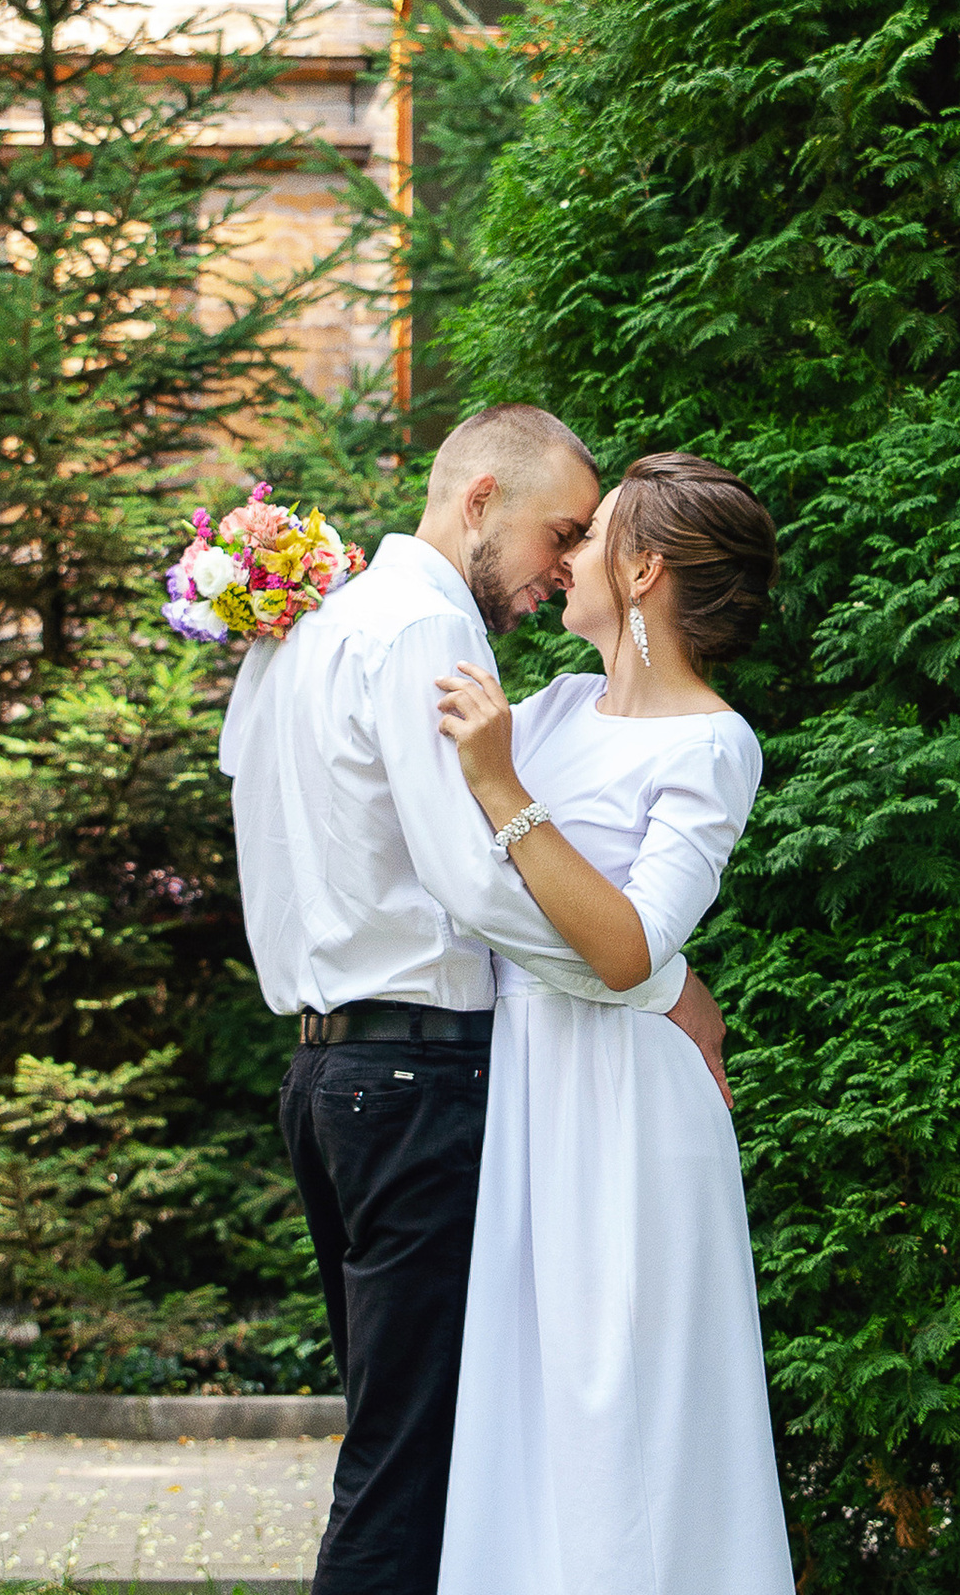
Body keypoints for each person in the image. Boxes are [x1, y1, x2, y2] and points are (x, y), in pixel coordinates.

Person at [218, 405, 732, 1595]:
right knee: (411, 1470)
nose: (563, 564)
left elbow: (261, 823)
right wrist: (659, 979)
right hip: (415, 1084)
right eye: (558, 530)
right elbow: (472, 878)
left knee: (409, 1450)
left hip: (325, 1076)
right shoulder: (421, 629)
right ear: (479, 500)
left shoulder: (313, 624)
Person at [432, 450, 792, 1595]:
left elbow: (631, 941)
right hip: (533, 1088)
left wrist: (501, 788)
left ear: (640, 571)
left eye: (591, 539)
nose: (567, 554)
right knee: (533, 1409)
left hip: (629, 1114)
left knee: (622, 1410)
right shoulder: (544, 708)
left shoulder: (712, 744)